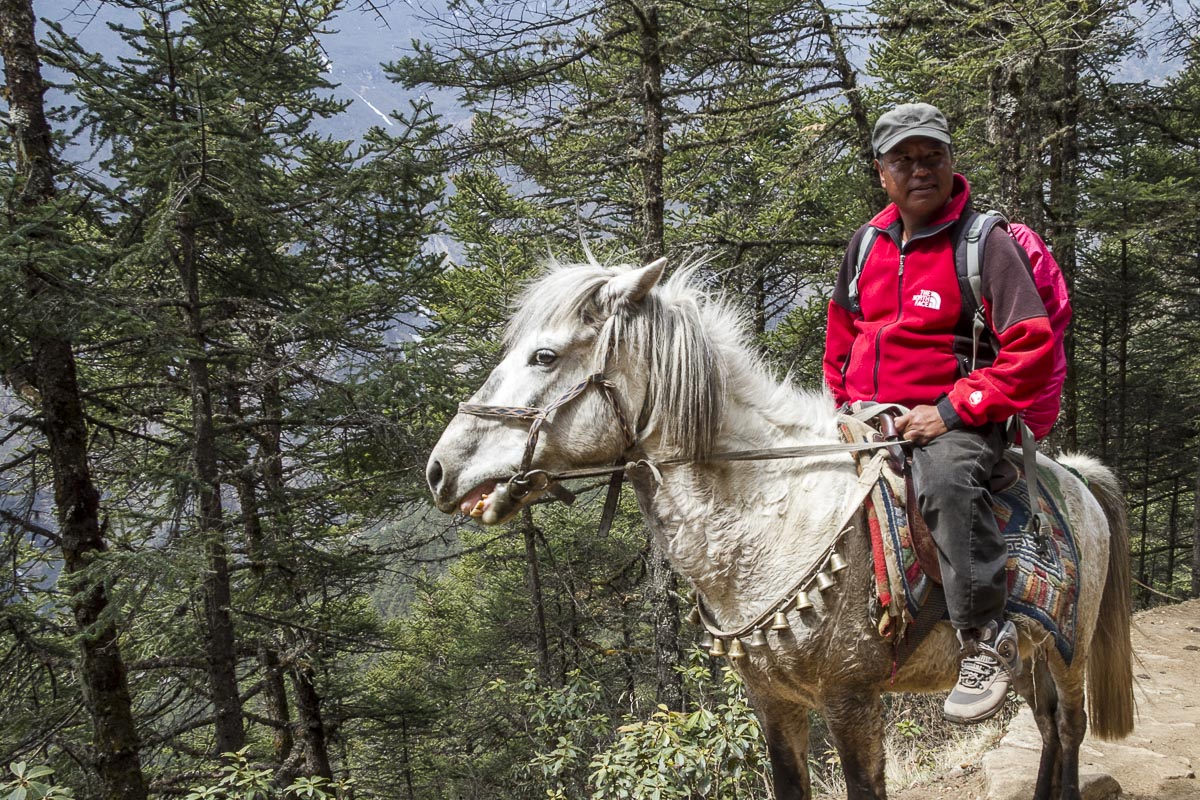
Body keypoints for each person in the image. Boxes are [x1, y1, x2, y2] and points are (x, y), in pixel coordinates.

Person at [822, 103, 1056, 724]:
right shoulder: (867, 244)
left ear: (952, 162)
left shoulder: (984, 243)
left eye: (932, 157)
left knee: (946, 480)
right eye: (903, 160)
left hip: (958, 418)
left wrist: (950, 412)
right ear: (881, 173)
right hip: (867, 414)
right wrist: (840, 406)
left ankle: (983, 637)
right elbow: (842, 334)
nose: (919, 170)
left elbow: (1032, 347)